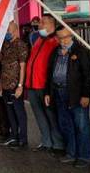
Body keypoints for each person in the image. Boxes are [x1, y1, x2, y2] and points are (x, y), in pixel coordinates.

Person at [45, 26, 90, 168]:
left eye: (66, 37)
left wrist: (86, 95)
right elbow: (50, 74)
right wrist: (48, 92)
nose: (63, 40)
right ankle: (71, 153)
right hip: (58, 91)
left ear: (72, 36)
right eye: (60, 38)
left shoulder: (81, 51)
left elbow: (88, 75)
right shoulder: (56, 51)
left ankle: (84, 157)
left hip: (76, 94)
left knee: (81, 126)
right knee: (65, 124)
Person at [25, 13, 65, 154]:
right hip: (32, 85)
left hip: (44, 86)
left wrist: (50, 88)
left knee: (51, 116)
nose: (39, 25)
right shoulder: (38, 40)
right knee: (39, 115)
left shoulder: (55, 42)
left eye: (43, 22)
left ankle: (58, 144)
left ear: (51, 24)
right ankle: (46, 141)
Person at [0, 21, 29, 149]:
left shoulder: (20, 45)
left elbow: (23, 67)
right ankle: (14, 136)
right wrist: (0, 85)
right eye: (6, 31)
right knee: (10, 112)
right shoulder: (5, 44)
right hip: (5, 84)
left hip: (15, 84)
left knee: (19, 112)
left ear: (16, 31)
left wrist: (20, 85)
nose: (7, 33)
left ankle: (23, 139)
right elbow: (3, 66)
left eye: (9, 31)